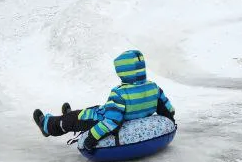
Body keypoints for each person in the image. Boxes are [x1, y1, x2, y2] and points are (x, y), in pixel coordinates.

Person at [32, 50, 174, 149]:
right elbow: (167, 108)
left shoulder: (120, 93)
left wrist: (91, 138)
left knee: (74, 119)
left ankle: (48, 125)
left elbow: (111, 122)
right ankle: (68, 114)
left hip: (99, 121)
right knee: (93, 109)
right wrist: (170, 121)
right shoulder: (153, 88)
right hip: (115, 113)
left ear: (123, 72)